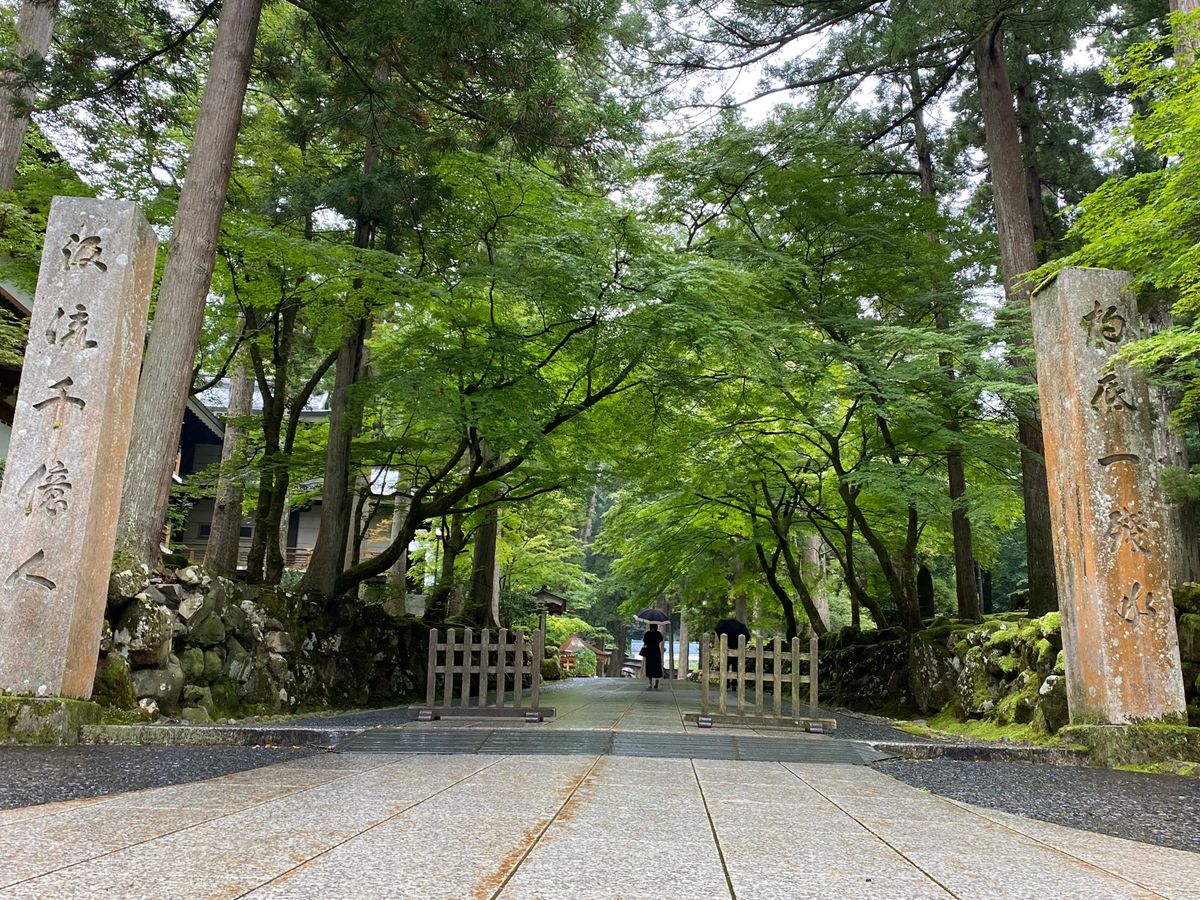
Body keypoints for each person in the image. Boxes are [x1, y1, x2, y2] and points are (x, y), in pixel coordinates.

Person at [640, 623, 665, 690]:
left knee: (649, 667)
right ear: (656, 627)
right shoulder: (658, 634)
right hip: (656, 651)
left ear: (650, 627)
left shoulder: (647, 633)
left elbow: (644, 641)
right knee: (657, 667)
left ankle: (650, 684)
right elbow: (661, 639)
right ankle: (656, 683)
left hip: (649, 651)